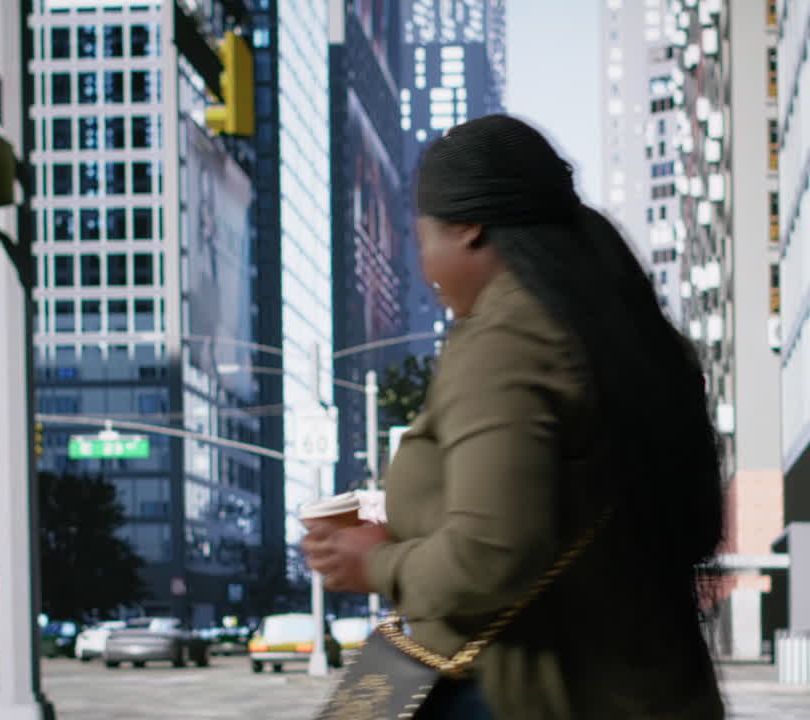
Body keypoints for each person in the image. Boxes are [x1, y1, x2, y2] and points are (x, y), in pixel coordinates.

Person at [302, 115, 726, 719]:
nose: (427, 268)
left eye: (424, 240)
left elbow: (488, 551)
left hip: (530, 698)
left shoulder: (507, 338)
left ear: (470, 228)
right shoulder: (626, 332)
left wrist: (370, 563)